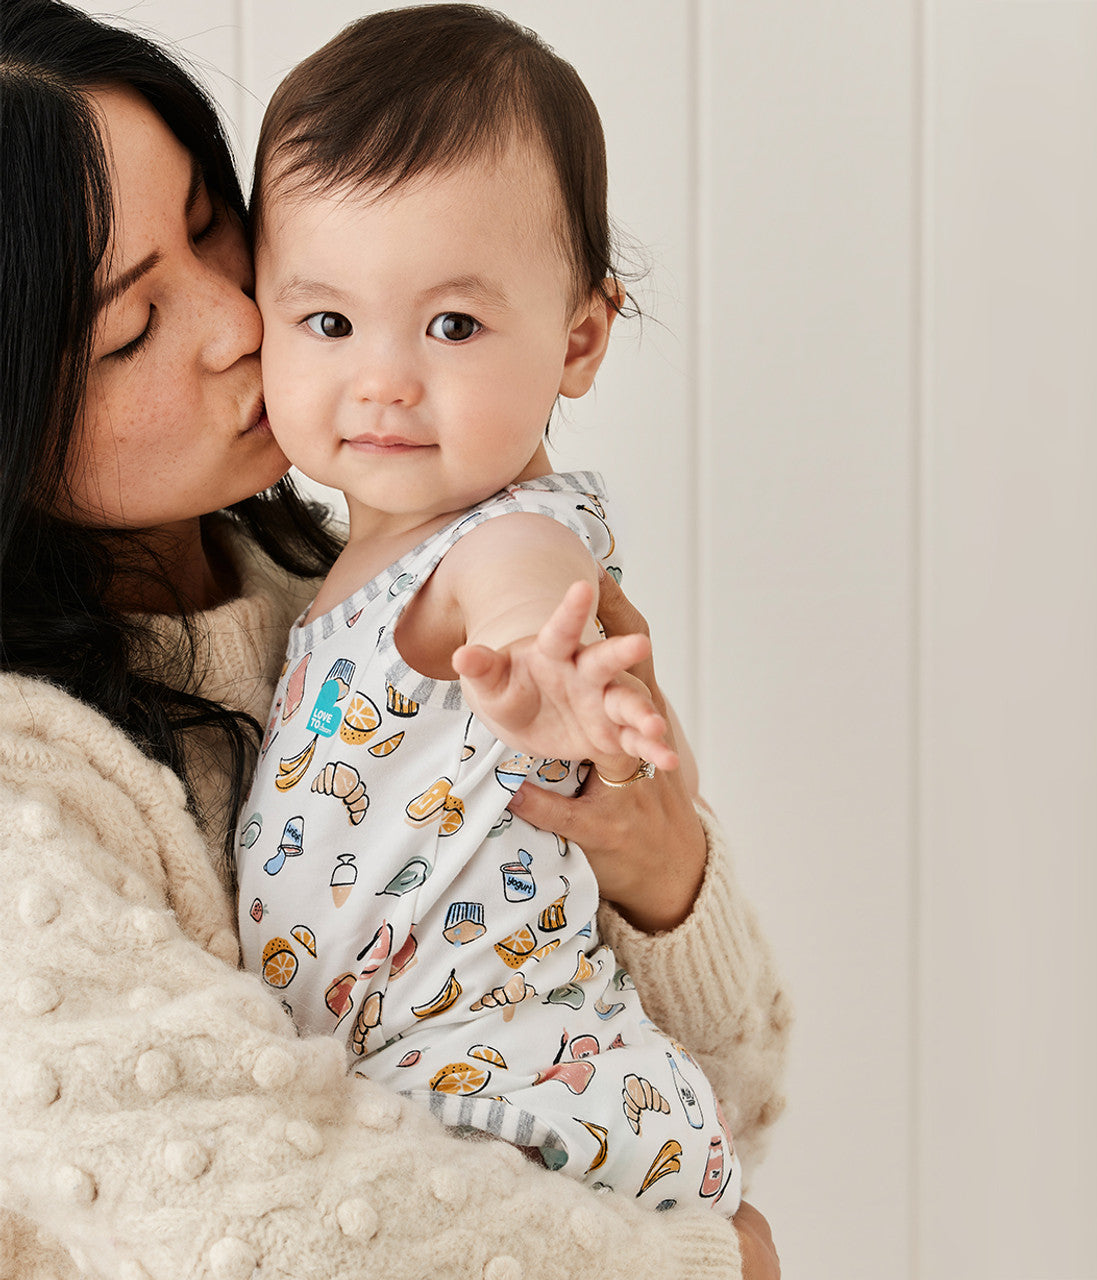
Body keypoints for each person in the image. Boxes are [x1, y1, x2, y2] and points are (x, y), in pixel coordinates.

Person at [0, 0, 787, 1276]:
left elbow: (730, 1075)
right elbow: (257, 1222)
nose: (239, 322)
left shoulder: (366, 579)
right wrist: (701, 1267)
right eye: (133, 328)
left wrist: (658, 858)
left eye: (215, 226)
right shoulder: (30, 778)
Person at [237, 3, 742, 1216]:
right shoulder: (327, 581)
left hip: (501, 1083)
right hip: (416, 1081)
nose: (383, 377)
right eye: (327, 320)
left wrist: (545, 664)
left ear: (578, 338)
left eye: (452, 324)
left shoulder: (497, 534)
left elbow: (518, 588)